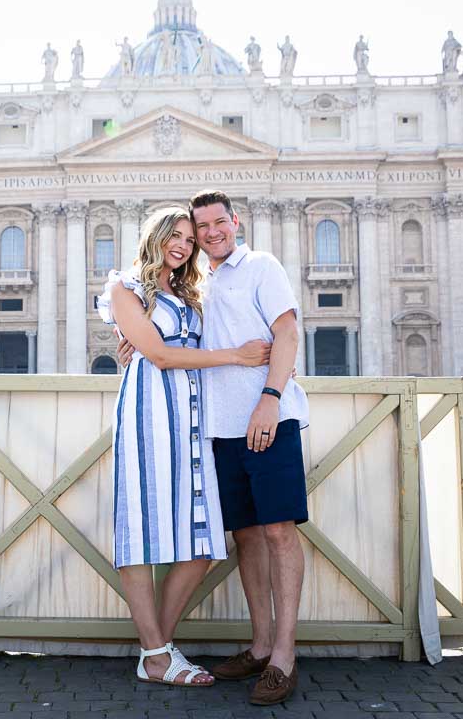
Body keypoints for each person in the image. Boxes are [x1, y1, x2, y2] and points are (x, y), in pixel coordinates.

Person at [118, 190, 308, 705]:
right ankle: (258, 646)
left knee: (278, 531)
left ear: (235, 222)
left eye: (212, 224)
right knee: (245, 536)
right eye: (194, 230)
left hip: (267, 417)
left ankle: (283, 657)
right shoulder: (196, 283)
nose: (205, 235)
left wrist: (271, 397)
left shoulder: (261, 266)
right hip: (214, 429)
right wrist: (137, 340)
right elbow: (163, 345)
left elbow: (288, 334)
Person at [99, 205, 271, 688]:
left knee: (202, 538)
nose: (183, 244)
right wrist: (235, 357)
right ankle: (157, 656)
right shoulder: (124, 289)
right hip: (148, 415)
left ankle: (157, 650)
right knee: (142, 530)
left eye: (189, 239)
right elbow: (157, 354)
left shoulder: (188, 291)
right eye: (174, 235)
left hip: (193, 418)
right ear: (154, 236)